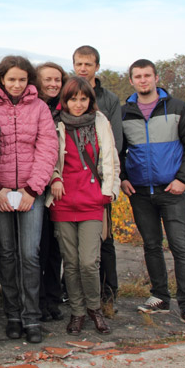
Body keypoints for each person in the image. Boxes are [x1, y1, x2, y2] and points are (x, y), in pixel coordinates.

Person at [0, 56, 58, 344]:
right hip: (1, 193)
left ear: (29, 81)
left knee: (30, 254)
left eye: (22, 79)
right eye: (11, 79)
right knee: (6, 254)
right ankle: (13, 315)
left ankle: (31, 317)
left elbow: (48, 148)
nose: (16, 84)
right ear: (1, 79)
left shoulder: (39, 108)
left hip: (30, 193)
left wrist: (32, 190)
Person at [120, 59, 185, 329]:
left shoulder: (177, 108)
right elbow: (116, 151)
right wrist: (122, 179)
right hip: (140, 192)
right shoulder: (124, 113)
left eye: (147, 76)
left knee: (181, 248)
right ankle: (160, 297)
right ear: (131, 81)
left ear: (156, 78)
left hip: (171, 190)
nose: (143, 80)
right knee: (151, 246)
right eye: (137, 76)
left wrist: (182, 179)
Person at [47, 77, 120, 336]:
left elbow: (111, 158)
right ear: (64, 101)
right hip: (63, 200)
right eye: (72, 99)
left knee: (89, 262)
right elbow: (48, 158)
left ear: (90, 100)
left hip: (92, 200)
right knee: (71, 262)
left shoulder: (100, 121)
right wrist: (55, 177)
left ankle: (95, 309)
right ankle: (77, 312)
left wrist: (108, 191)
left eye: (83, 99)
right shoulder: (55, 124)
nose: (78, 104)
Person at [72, 45, 123, 306]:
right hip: (71, 183)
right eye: (79, 64)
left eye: (88, 64)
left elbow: (117, 142)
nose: (83, 68)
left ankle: (107, 290)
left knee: (104, 237)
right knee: (72, 245)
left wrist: (109, 182)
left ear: (96, 67)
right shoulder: (67, 94)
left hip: (98, 180)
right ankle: (73, 291)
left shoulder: (109, 100)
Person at [35, 62, 68, 322]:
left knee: (56, 249)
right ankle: (38, 299)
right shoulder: (34, 108)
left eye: (57, 79)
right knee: (40, 248)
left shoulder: (67, 109)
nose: (53, 84)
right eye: (47, 79)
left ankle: (54, 299)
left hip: (63, 188)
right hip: (39, 187)